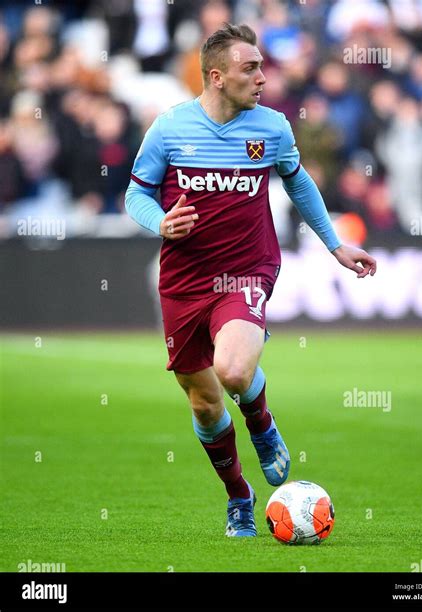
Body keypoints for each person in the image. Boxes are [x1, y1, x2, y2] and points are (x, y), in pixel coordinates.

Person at [125, 23, 376, 537]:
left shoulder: (273, 127)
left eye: (262, 65)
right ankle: (239, 495)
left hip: (247, 269)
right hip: (184, 279)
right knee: (204, 400)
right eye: (251, 67)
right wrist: (160, 223)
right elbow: (135, 196)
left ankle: (262, 425)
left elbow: (297, 179)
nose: (263, 76)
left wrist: (333, 244)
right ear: (216, 77)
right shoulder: (169, 129)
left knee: (234, 372)